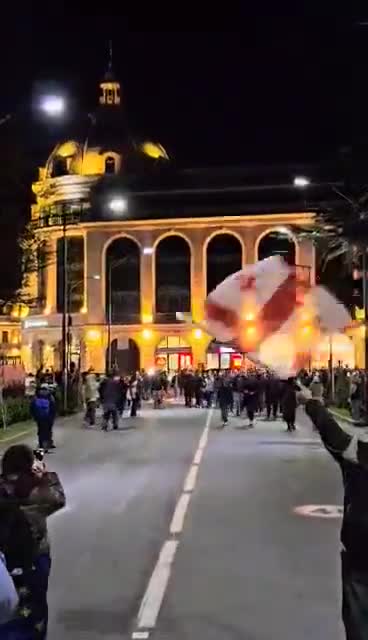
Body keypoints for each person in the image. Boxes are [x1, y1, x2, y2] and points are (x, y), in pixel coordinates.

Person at [298, 386, 368, 639]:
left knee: (360, 621)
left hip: (362, 553)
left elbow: (335, 438)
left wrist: (312, 403)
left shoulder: (360, 455)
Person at [0, 444, 65, 638]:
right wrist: (45, 475)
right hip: (34, 560)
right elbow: (58, 499)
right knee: (34, 607)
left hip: (4, 563)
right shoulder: (35, 490)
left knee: (7, 610)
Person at [30, 385, 56, 452]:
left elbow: (32, 407)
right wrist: (52, 417)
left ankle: (41, 445)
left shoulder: (36, 396)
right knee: (48, 431)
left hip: (39, 418)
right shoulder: (50, 396)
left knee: (40, 431)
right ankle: (47, 445)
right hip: (48, 418)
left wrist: (35, 417)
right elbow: (53, 407)